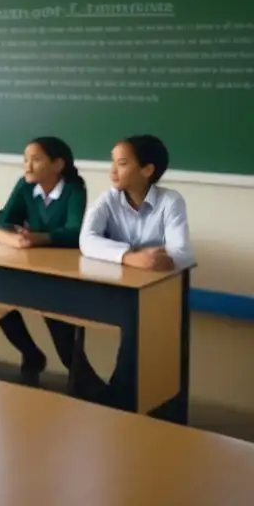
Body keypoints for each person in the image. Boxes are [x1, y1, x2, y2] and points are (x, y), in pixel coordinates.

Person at [79, 134, 193, 408]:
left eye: (121, 163)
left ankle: (123, 399)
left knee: (138, 330)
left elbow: (182, 253)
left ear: (147, 170)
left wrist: (157, 260)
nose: (112, 171)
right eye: (112, 162)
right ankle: (101, 389)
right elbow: (87, 240)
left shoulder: (170, 201)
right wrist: (130, 257)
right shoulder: (108, 199)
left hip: (157, 290)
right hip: (116, 283)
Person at [0, 137, 94, 388]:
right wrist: (15, 241)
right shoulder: (25, 186)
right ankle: (31, 354)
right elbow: (1, 222)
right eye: (26, 159)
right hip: (30, 263)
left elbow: (74, 232)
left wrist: (38, 238)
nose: (27, 166)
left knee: (55, 318)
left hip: (63, 269)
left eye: (35, 160)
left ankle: (84, 378)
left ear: (58, 164)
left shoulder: (73, 189)